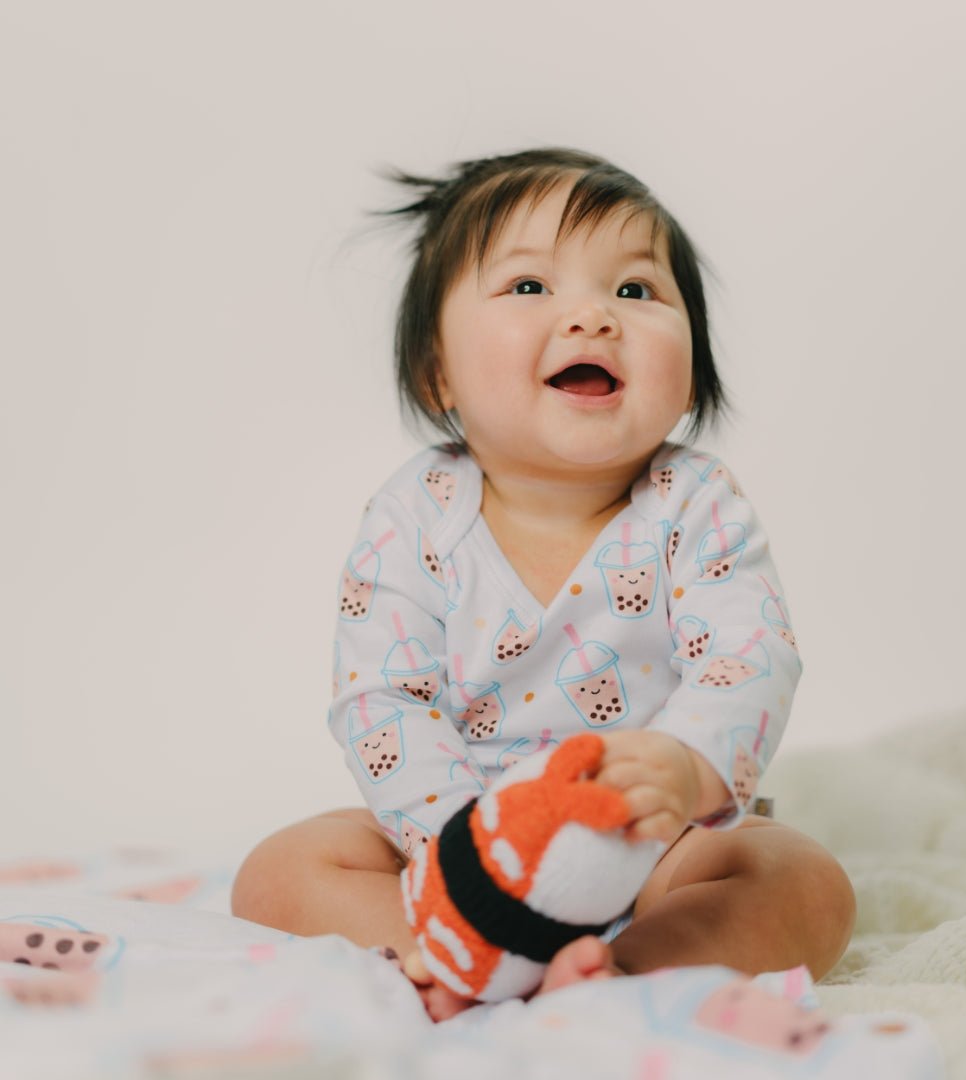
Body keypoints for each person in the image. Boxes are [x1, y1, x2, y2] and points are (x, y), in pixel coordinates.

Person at [231, 147, 856, 1021]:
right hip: (456, 834)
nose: (593, 315)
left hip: (649, 839)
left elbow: (750, 657)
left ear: (691, 373)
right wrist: (471, 863)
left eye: (635, 289)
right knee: (279, 873)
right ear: (438, 372)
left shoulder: (695, 503)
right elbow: (383, 699)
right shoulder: (415, 514)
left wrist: (684, 770)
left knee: (803, 880)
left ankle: (625, 972)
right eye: (529, 286)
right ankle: (456, 956)